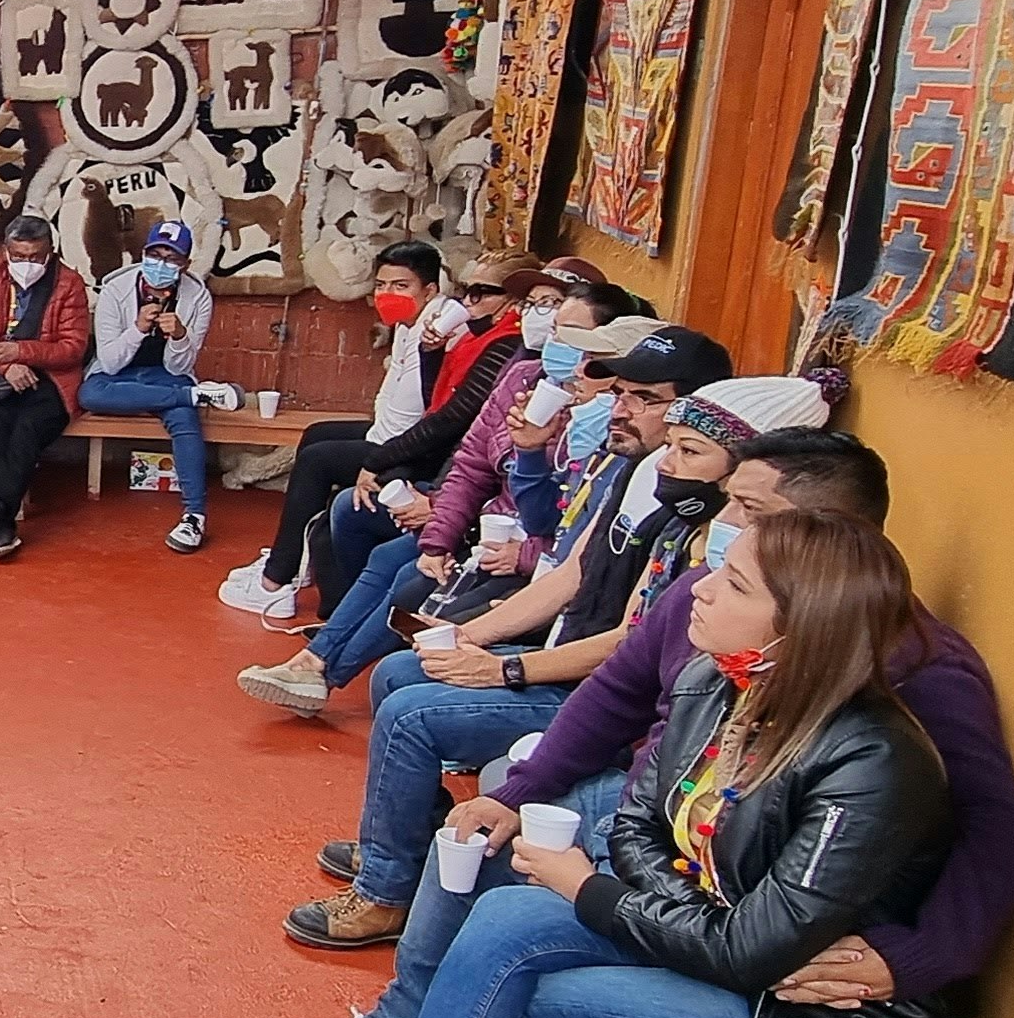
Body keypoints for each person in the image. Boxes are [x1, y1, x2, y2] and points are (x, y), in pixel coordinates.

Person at [257, 512, 958, 1018]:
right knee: (512, 918)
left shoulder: (872, 763)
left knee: (536, 1001)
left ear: (802, 632)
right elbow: (636, 824)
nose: (702, 585)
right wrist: (662, 897)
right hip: (715, 949)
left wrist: (589, 890)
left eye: (735, 582)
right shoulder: (713, 682)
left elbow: (752, 954)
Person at [277, 431, 1014, 1018]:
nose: (726, 521)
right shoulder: (710, 600)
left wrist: (920, 957)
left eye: (752, 511)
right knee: (482, 831)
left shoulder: (920, 677)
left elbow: (994, 832)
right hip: (677, 823)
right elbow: (618, 693)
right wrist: (521, 798)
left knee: (518, 910)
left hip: (747, 885)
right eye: (730, 501)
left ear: (823, 542)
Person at [280, 331, 751, 951]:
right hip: (562, 660)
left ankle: (384, 897)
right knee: (400, 668)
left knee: (410, 714)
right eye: (619, 391)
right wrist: (460, 637)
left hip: (592, 693)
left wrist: (507, 671)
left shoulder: (702, 524)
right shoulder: (638, 473)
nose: (618, 406)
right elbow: (569, 575)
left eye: (644, 398)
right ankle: (402, 847)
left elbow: (628, 647)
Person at [241, 265, 613, 710]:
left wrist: (515, 539)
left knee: (405, 570)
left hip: (521, 545)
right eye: (536, 310)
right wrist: (438, 534)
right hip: (480, 519)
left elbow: (567, 525)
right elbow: (471, 459)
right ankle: (312, 661)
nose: (542, 326)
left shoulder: (605, 421)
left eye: (558, 317)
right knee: (373, 532)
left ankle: (317, 664)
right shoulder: (524, 376)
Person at [222, 243, 452, 617]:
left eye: (401, 285)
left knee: (318, 460)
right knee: (317, 434)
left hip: (411, 451)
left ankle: (275, 582)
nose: (388, 295)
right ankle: (299, 562)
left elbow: (455, 315)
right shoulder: (405, 327)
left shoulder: (438, 325)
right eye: (381, 284)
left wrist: (378, 459)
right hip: (385, 433)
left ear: (430, 291)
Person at [0, 215, 96, 562]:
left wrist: (23, 352)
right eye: (18, 257)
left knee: (29, 426)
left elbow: (73, 348)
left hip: (52, 379)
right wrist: (6, 364)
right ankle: (2, 524)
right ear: (6, 251)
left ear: (50, 252)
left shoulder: (69, 284)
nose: (26, 264)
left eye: (35, 257)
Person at [71, 222, 222, 551]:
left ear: (185, 264)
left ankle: (194, 515)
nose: (162, 263)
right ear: (143, 255)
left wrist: (180, 336)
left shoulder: (198, 297)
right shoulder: (116, 288)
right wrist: (138, 328)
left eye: (172, 258)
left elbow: (179, 366)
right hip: (118, 375)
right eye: (155, 254)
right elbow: (109, 362)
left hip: (164, 375)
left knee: (184, 418)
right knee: (90, 393)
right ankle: (190, 396)